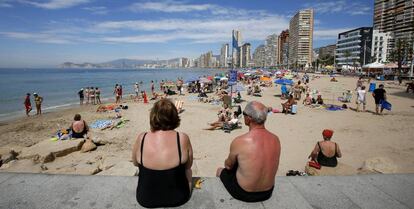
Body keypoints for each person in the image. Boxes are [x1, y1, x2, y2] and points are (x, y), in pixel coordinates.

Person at [132, 99, 193, 208]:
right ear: (175, 116)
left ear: (153, 116)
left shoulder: (142, 137)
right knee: (188, 170)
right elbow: (188, 166)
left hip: (145, 199)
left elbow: (135, 163)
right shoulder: (182, 138)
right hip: (179, 198)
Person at [216, 101, 281, 202]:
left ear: (249, 118)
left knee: (220, 171)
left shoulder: (240, 141)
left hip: (244, 193)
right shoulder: (276, 139)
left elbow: (228, 166)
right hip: (268, 192)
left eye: (244, 114)